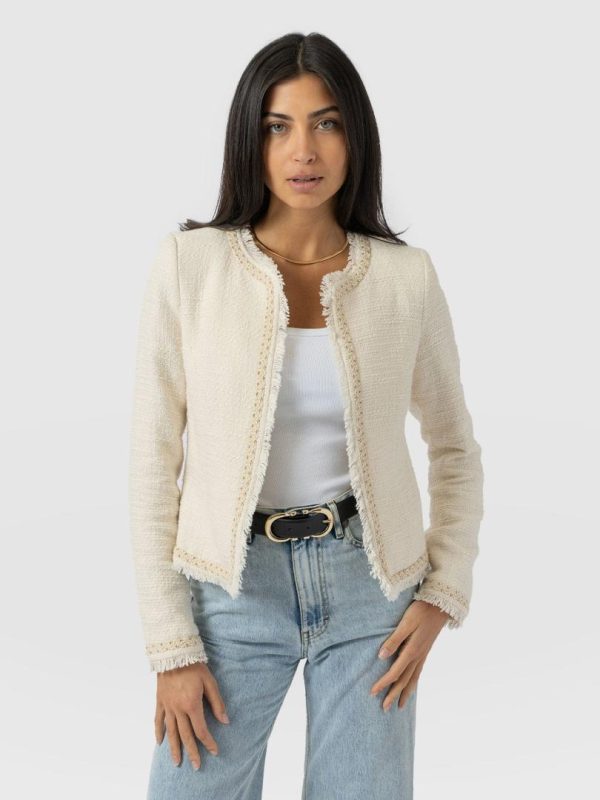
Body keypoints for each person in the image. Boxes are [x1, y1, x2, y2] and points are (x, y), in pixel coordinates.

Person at [128, 31, 484, 800]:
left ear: (356, 137)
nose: (304, 150)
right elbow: (154, 462)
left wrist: (440, 594)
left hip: (370, 590)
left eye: (327, 123)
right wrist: (171, 645)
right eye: (277, 126)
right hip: (230, 593)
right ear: (249, 141)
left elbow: (455, 447)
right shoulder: (190, 267)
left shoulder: (405, 279)